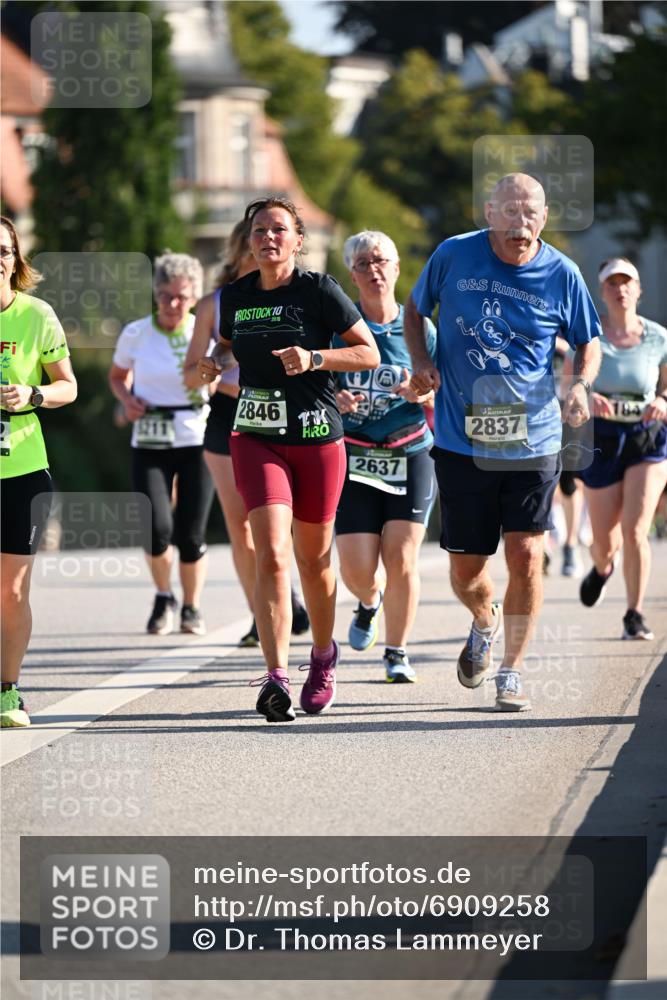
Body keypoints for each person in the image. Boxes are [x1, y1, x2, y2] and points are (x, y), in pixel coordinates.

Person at [405, 173, 602, 711]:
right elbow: (414, 309)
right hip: (460, 438)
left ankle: (511, 671)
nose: (521, 224)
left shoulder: (562, 273)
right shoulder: (452, 256)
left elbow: (588, 341)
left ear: (543, 217)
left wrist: (579, 384)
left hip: (533, 436)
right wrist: (421, 361)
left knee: (526, 555)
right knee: (467, 571)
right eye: (510, 212)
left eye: (531, 213)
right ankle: (484, 621)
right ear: (489, 213)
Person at [197, 196, 380, 722]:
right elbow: (230, 344)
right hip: (254, 436)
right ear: (249, 240)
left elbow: (367, 352)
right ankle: (275, 677)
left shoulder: (318, 290)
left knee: (313, 559)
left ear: (298, 240)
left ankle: (322, 657)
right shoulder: (235, 296)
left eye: (279, 229)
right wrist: (215, 361)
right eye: (259, 230)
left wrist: (316, 357)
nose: (268, 238)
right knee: (271, 552)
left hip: (317, 436)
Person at [184, 219, 310, 648]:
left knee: (280, 522)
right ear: (238, 255)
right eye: (250, 249)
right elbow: (191, 371)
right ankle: (262, 613)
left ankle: (282, 590)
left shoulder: (294, 297)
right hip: (227, 418)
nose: (261, 252)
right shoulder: (213, 304)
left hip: (283, 415)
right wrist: (216, 377)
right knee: (241, 526)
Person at [334, 230, 437, 682]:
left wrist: (422, 393)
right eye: (363, 264)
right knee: (358, 569)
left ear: (396, 268)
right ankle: (368, 601)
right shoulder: (341, 329)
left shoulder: (420, 329)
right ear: (351, 276)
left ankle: (397, 652)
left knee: (402, 558)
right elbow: (316, 381)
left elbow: (442, 390)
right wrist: (334, 397)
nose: (373, 270)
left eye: (381, 261)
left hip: (409, 451)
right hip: (354, 457)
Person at [109, 252, 215, 636]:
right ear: (155, 294)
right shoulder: (136, 333)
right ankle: (162, 595)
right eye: (165, 295)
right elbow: (118, 376)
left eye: (182, 297)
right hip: (150, 438)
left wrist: (212, 380)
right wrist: (127, 400)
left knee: (191, 532)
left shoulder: (202, 332)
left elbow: (219, 376)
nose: (172, 304)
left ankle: (191, 606)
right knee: (156, 527)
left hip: (194, 437)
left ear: (194, 299)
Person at [0, 216, 77, 727]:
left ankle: (8, 691)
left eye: (2, 250)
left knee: (10, 590)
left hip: (23, 469)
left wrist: (32, 395)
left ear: (15, 258)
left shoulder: (37, 315)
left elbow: (67, 386)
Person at [571, 257, 667, 639]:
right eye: (613, 283)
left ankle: (634, 613)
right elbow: (569, 385)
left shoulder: (659, 336)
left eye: (628, 283)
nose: (621, 289)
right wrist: (586, 394)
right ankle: (601, 569)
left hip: (647, 437)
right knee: (604, 543)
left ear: (639, 290)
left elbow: (665, 385)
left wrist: (664, 399)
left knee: (635, 531)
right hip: (603, 439)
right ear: (603, 292)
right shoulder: (590, 337)